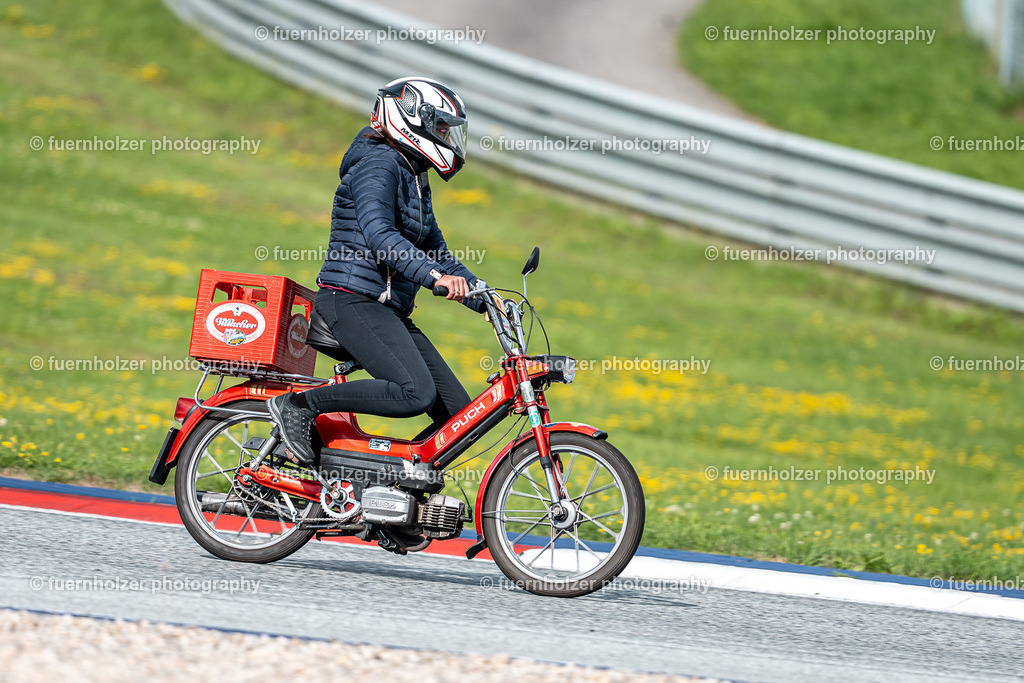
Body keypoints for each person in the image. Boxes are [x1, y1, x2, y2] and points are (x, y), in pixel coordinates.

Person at [268, 77, 485, 465]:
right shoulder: (378, 164)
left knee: (460, 418)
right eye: (439, 128)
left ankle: (393, 486)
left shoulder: (413, 174)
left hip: (385, 308)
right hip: (351, 300)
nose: (446, 139)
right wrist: (435, 279)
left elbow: (436, 250)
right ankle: (298, 406)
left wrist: (485, 296)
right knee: (414, 393)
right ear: (410, 118)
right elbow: (380, 236)